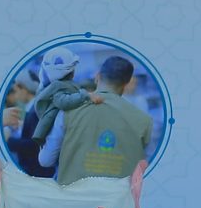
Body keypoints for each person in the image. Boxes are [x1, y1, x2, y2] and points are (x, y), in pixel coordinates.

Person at [52, 54, 154, 184]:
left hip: (73, 192)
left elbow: (46, 160)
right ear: (127, 83)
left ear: (97, 76)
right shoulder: (144, 120)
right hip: (118, 194)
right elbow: (148, 164)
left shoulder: (68, 111)